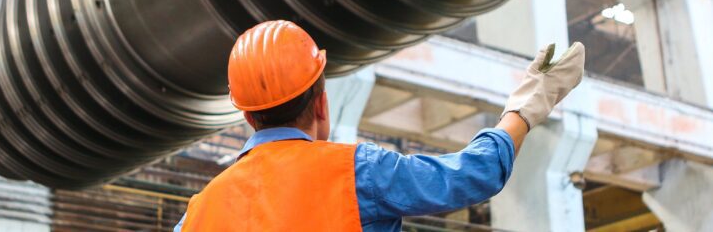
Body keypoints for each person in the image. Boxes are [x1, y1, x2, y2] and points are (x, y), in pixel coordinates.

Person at [174, 20, 584, 231]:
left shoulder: (196, 215)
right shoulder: (358, 173)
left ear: (246, 114)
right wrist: (530, 103)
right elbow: (473, 176)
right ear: (321, 102)